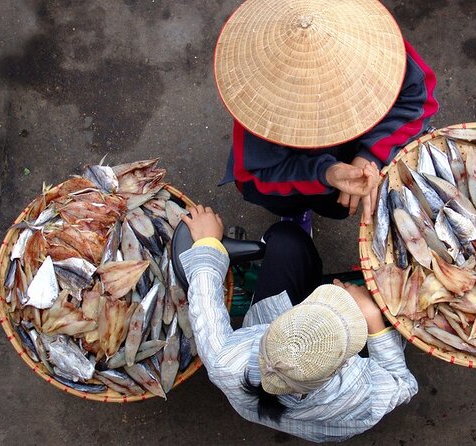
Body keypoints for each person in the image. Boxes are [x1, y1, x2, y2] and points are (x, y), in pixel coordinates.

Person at [180, 204, 417, 442]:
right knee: (293, 244)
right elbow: (402, 384)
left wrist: (208, 243)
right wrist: (374, 322)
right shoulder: (358, 392)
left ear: (277, 325)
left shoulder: (226, 361)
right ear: (340, 367)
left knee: (285, 236)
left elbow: (205, 306)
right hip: (327, 428)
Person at [215, 0, 439, 229]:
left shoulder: (378, 45)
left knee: (337, 205)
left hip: (357, 145)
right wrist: (326, 172)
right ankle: (295, 214)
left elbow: (416, 98)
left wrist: (370, 154)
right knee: (291, 201)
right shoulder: (259, 106)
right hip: (297, 170)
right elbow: (259, 174)